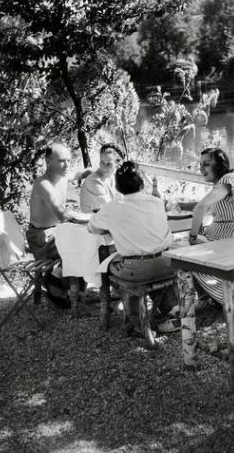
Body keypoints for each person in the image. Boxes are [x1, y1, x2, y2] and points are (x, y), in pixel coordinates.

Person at [88, 161, 178, 334]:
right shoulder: (156, 202)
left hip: (138, 271)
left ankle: (136, 320)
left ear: (118, 187)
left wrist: (114, 225)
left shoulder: (112, 207)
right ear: (142, 183)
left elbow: (92, 228)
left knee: (109, 267)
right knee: (151, 260)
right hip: (167, 264)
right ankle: (173, 310)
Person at [26, 143, 91, 307]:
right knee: (82, 243)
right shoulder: (43, 184)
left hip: (57, 232)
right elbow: (63, 215)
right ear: (48, 161)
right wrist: (91, 217)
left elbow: (80, 173)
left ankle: (70, 288)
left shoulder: (63, 176)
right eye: (62, 161)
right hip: (42, 238)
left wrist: (95, 171)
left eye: (69, 160)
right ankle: (58, 288)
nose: (67, 165)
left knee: (87, 239)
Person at [189, 147, 234, 311]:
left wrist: (193, 236)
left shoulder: (230, 179)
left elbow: (201, 206)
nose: (201, 168)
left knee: (178, 251)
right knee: (178, 247)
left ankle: (190, 305)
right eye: (200, 164)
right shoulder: (221, 185)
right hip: (223, 240)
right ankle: (203, 298)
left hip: (231, 243)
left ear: (220, 164)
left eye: (206, 164)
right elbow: (209, 211)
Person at [79, 143, 123, 213]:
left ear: (118, 164)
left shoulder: (114, 178)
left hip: (109, 220)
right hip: (95, 222)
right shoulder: (94, 181)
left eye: (109, 164)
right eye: (102, 162)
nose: (103, 167)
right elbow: (110, 209)